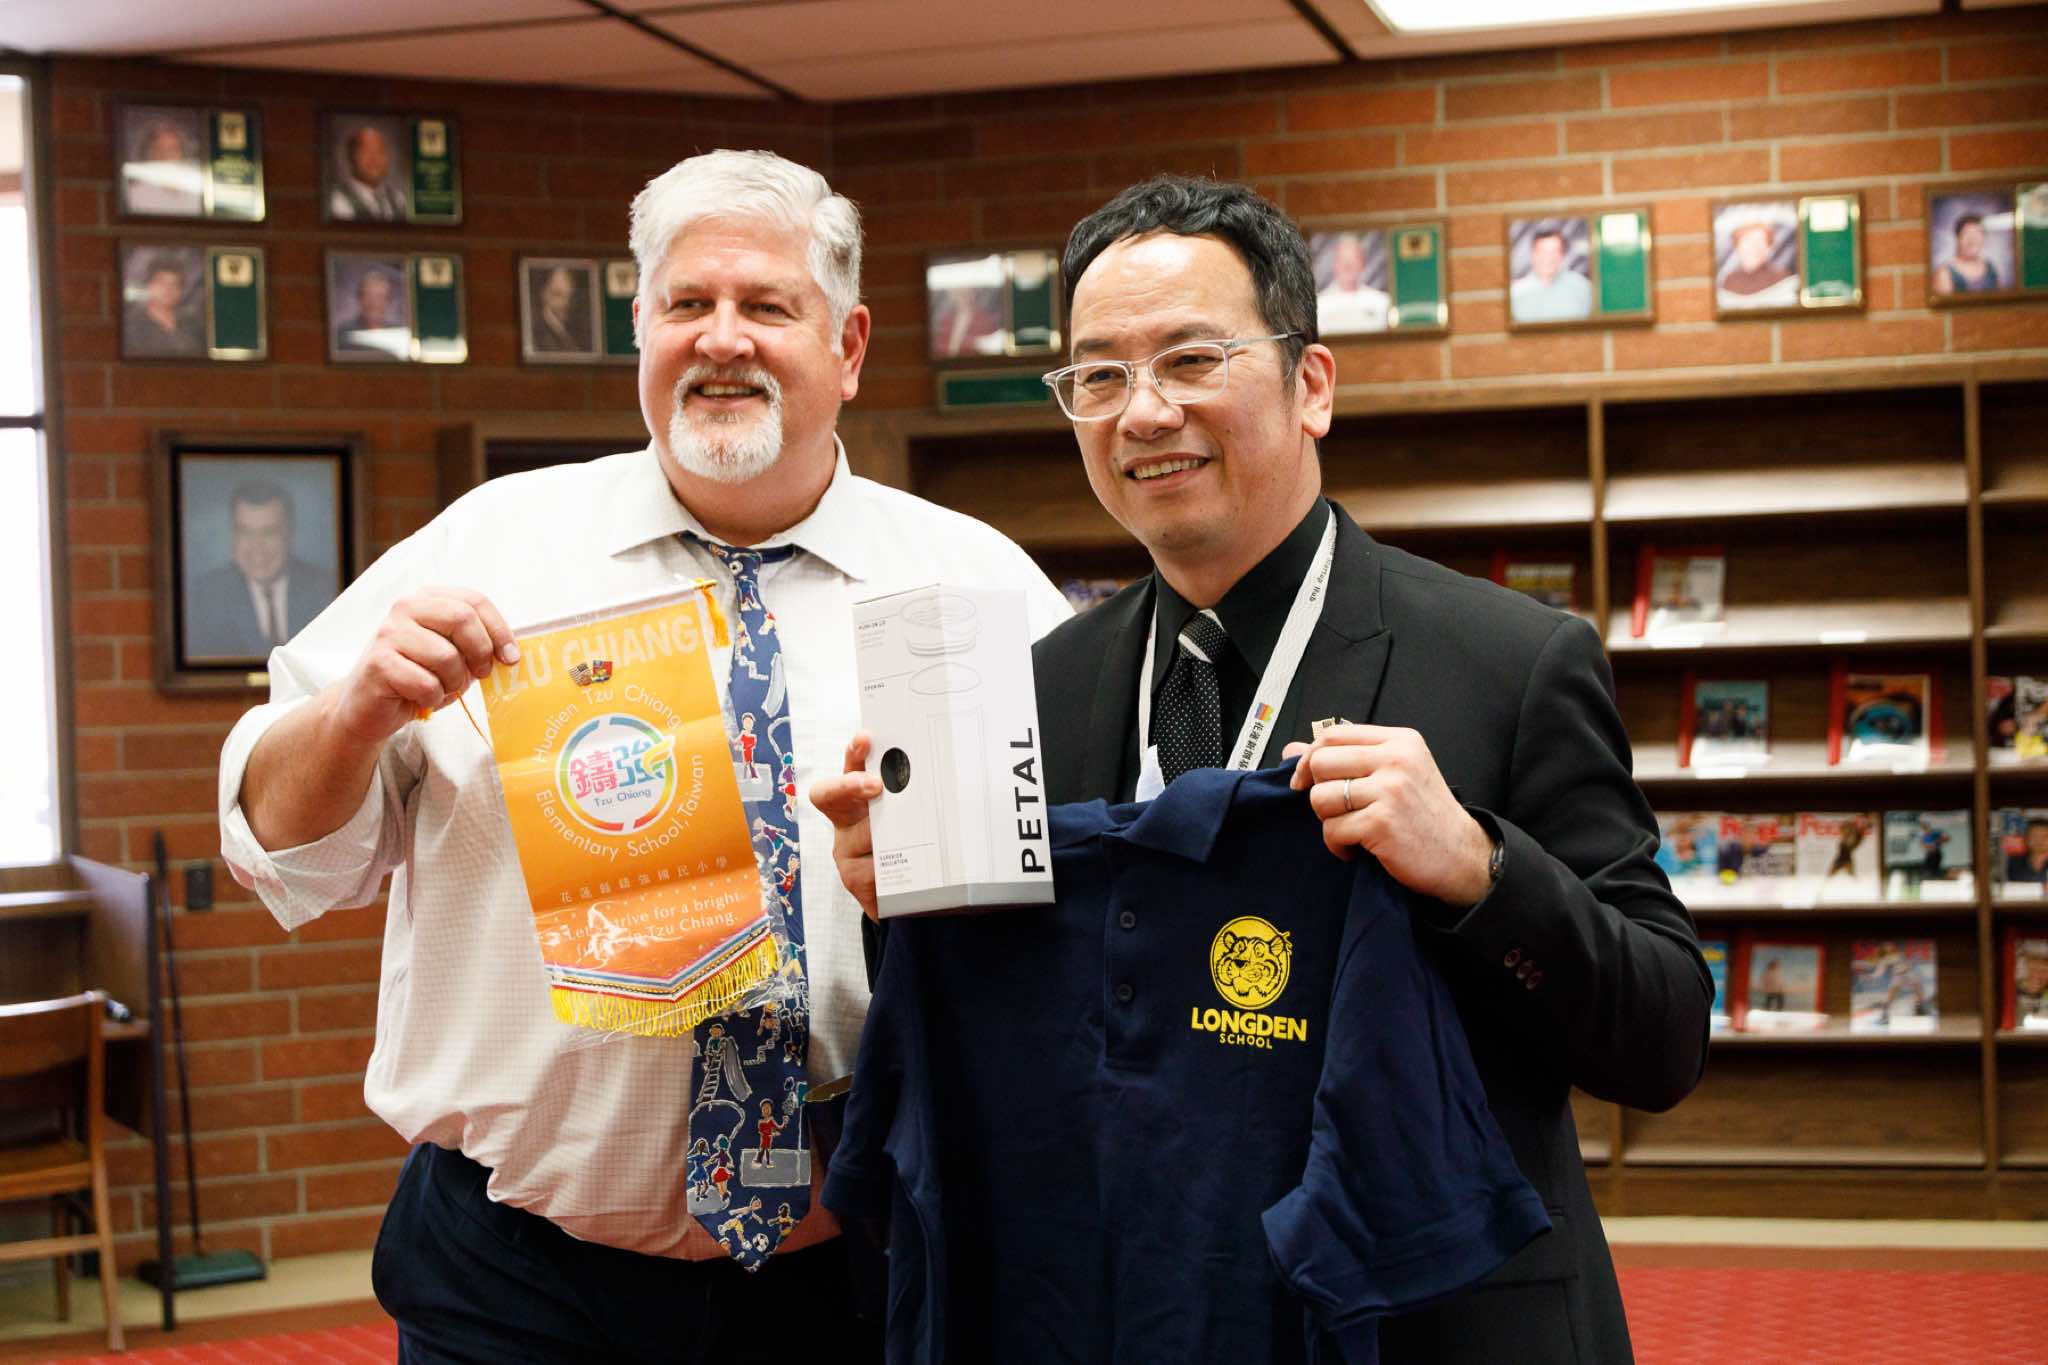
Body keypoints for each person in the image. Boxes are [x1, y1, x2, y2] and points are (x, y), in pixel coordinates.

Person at [815, 177, 1709, 1364]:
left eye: (1191, 360)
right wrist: (901, 900)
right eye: (1098, 376)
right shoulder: (1035, 690)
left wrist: (1478, 868)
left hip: (1427, 1327)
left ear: (1310, 385)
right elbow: (1002, 1040)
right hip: (1135, 1313)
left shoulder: (1506, 661)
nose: (1143, 412)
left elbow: (1661, 1038)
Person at [217, 149, 1068, 1362]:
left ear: (847, 345)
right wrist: (353, 712)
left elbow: (1077, 917)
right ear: (639, 333)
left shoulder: (975, 584)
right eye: (686, 304)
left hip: (853, 1276)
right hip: (516, 1284)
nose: (721, 339)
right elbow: (280, 851)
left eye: (766, 305)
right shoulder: (492, 546)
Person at [185, 481, 336, 661]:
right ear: (233, 536)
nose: (257, 547)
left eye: (269, 532)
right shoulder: (205, 596)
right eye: (246, 532)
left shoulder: (326, 589)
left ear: (290, 534)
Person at [122, 250, 205, 358]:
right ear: (149, 285)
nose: (168, 289)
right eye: (161, 282)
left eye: (175, 284)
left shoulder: (193, 326)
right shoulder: (131, 326)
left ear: (181, 291)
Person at [1510, 221, 1593, 323]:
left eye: (1554, 252)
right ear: (1533, 254)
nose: (1548, 258)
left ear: (1562, 255)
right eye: (1543, 252)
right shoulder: (1516, 294)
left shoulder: (1583, 288)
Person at [122, 112, 203, 216]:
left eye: (173, 149)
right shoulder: (134, 195)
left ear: (183, 153)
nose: (167, 155)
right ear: (148, 154)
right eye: (160, 149)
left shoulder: (197, 194)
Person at [328, 122, 406, 222]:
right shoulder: (337, 201)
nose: (374, 159)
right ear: (351, 157)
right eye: (365, 152)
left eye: (380, 152)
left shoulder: (399, 199)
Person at [1314, 231, 1390, 334]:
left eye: (1353, 259)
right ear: (1335, 264)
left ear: (1362, 263)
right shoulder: (1319, 305)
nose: (1347, 265)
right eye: (1343, 259)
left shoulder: (1382, 303)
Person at [1716, 213, 1796, 310]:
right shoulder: (1729, 281)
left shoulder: (1782, 278)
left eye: (1758, 244)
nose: (1753, 250)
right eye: (1747, 244)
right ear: (1738, 248)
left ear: (1768, 249)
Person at [333, 265, 408, 358]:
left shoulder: (399, 335)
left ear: (388, 301)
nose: (373, 303)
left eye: (379, 297)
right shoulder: (341, 335)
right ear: (360, 299)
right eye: (368, 295)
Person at [530, 264, 594, 354]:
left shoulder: (574, 331)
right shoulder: (537, 333)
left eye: (570, 296)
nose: (566, 304)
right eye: (558, 294)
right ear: (543, 293)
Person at [1932, 212, 2001, 295]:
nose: (1972, 239)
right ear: (1958, 237)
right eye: (1967, 233)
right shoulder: (1944, 273)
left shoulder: (1991, 268)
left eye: (1977, 233)